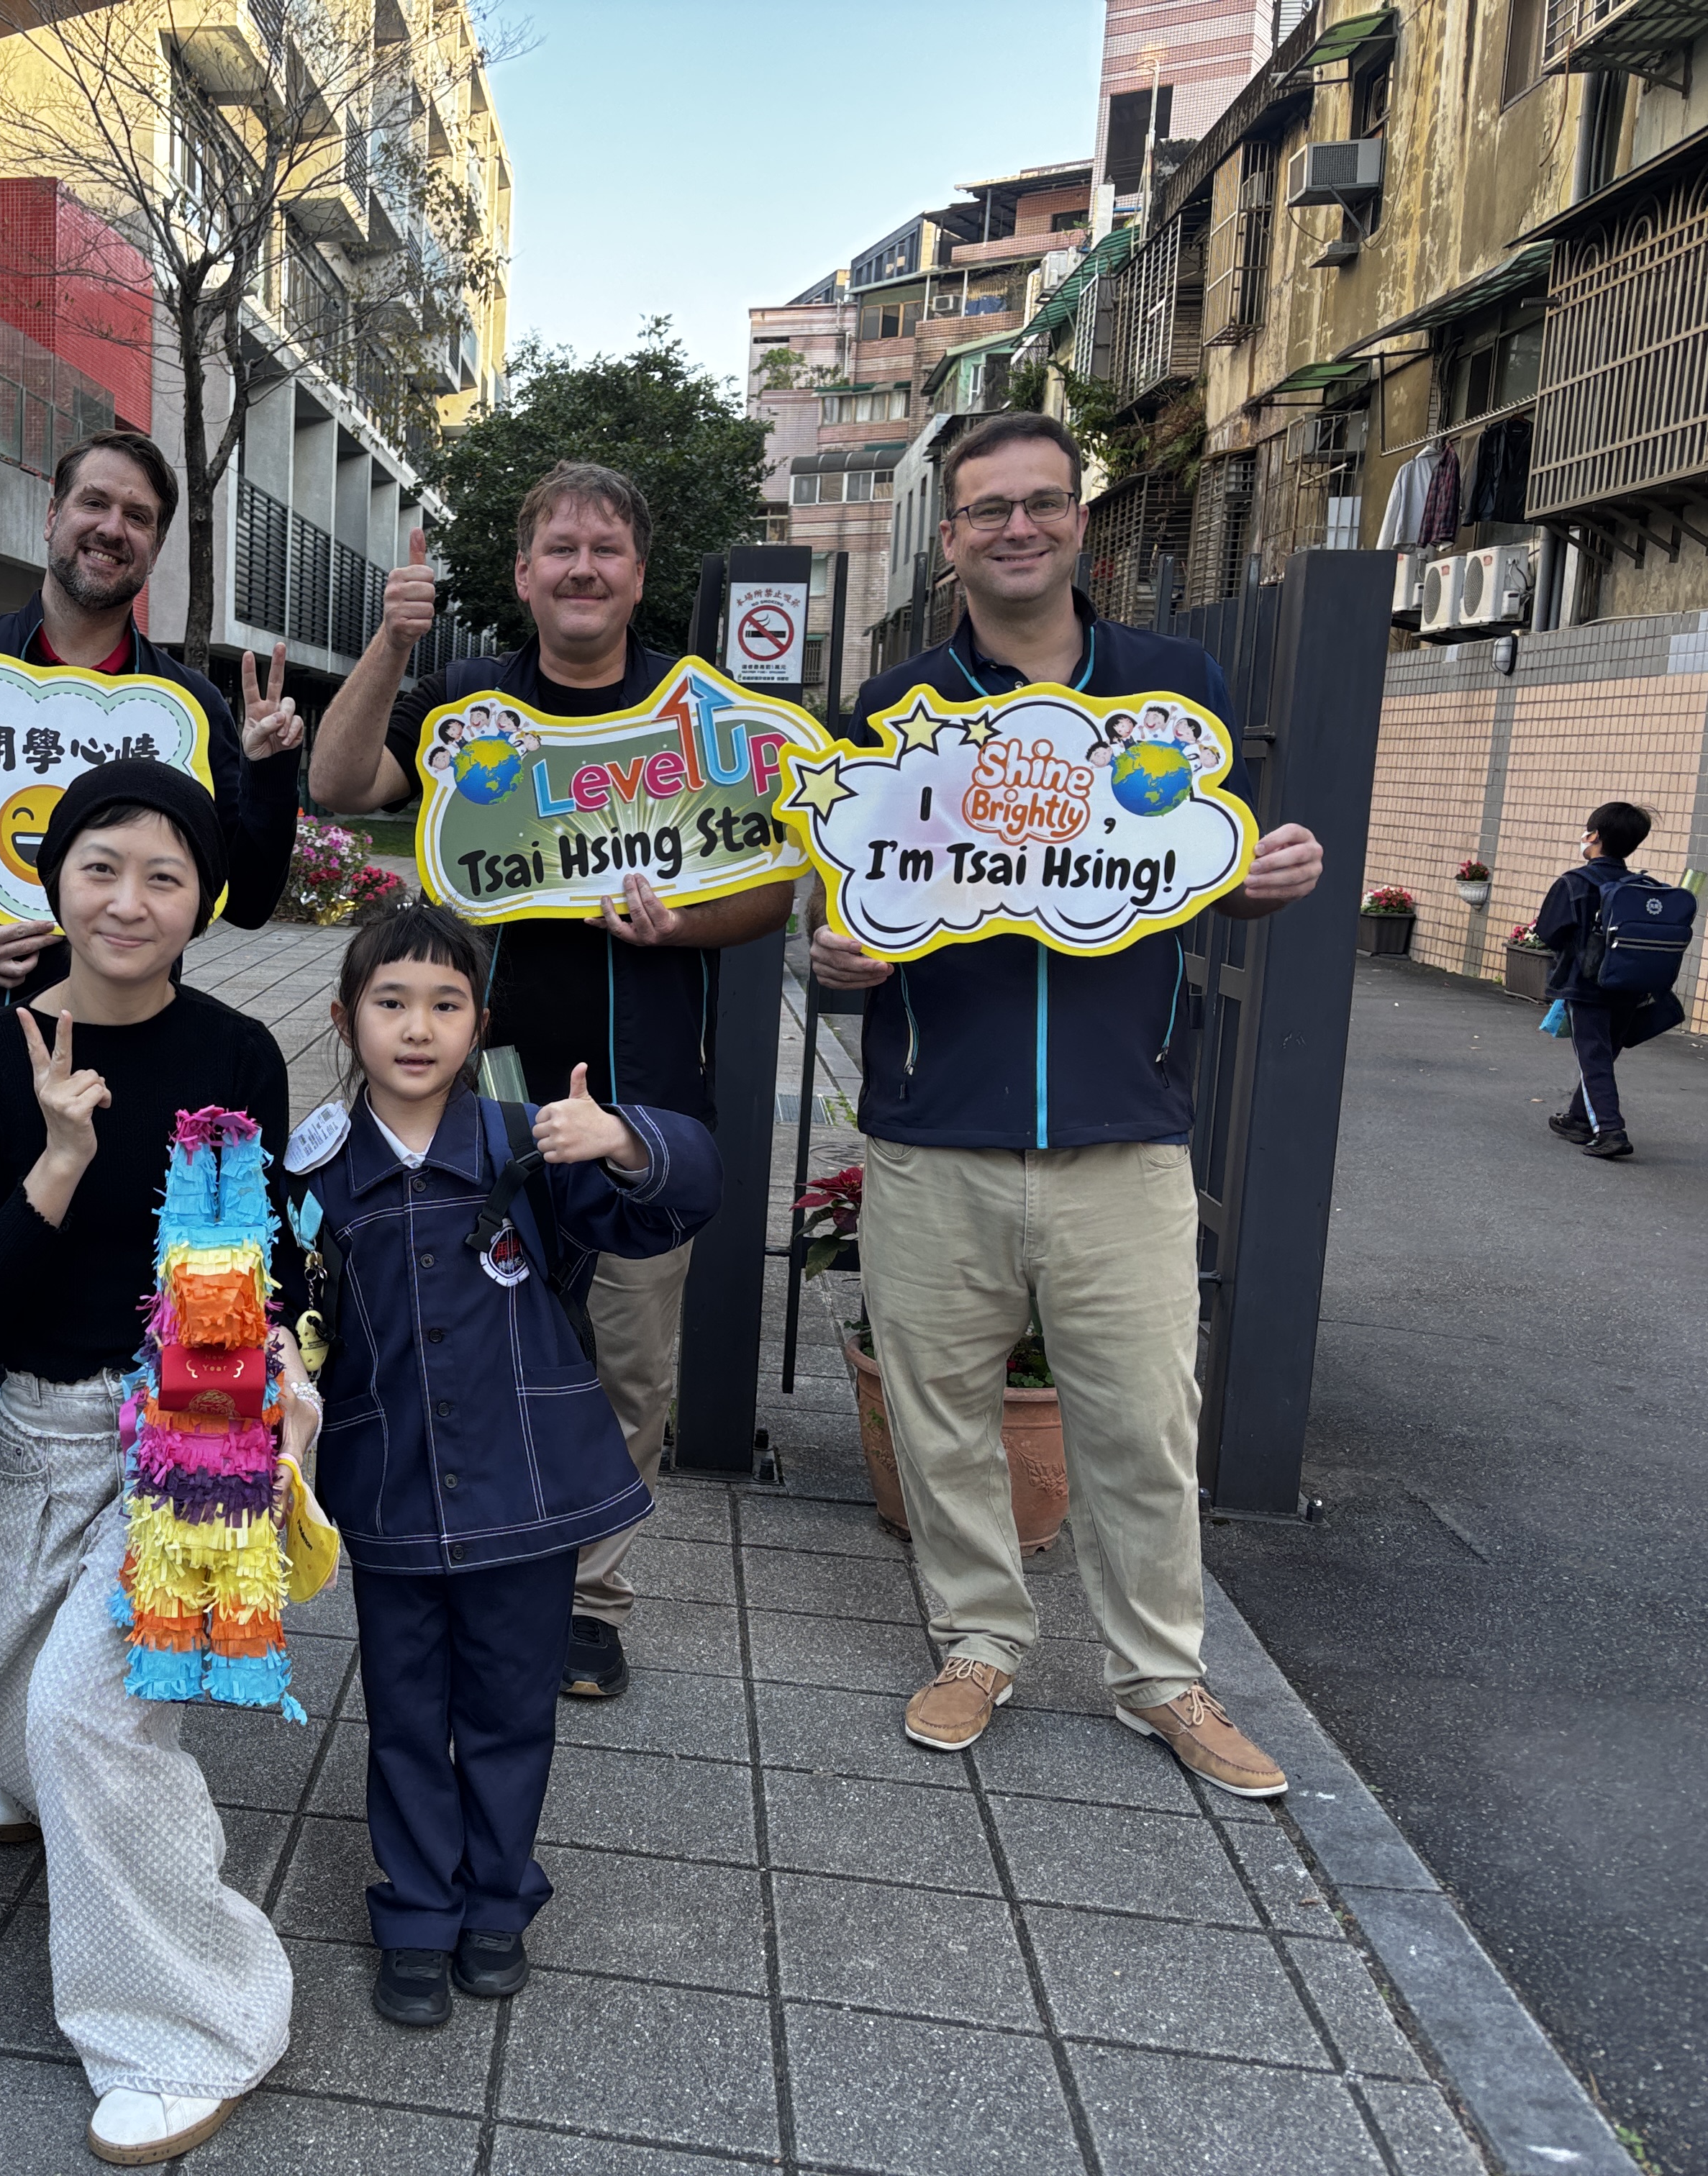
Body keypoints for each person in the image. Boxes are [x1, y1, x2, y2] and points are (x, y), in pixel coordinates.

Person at [809, 409, 1325, 1800]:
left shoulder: (1174, 687)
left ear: (1079, 522)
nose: (1017, 526)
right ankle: (977, 1639)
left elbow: (1196, 860)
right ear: (951, 536)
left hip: (1122, 1127)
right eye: (988, 507)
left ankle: (1161, 1673)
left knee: (1145, 1420)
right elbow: (850, 904)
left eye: (1041, 501)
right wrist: (835, 952)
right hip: (935, 1126)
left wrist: (1261, 875)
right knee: (938, 1414)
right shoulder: (895, 709)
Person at [310, 461, 790, 1701]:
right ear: (522, 575)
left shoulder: (698, 714)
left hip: (641, 1100)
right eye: (559, 549)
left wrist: (683, 924)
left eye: (606, 548)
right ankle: (476, 1556)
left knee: (627, 1362)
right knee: (465, 1339)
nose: (583, 568)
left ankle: (588, 1596)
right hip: (471, 1101)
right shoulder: (463, 705)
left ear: (639, 573)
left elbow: (773, 886)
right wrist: (391, 641)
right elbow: (340, 784)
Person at [0, 761, 301, 2167]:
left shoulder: (237, 1054)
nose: (128, 900)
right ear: (54, 879)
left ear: (202, 899)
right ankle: (42, 1778)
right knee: (19, 1686)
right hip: (37, 1413)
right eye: (100, 866)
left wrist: (255, 1421)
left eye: (163, 875)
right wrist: (61, 1154)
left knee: (92, 1713)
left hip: (195, 1410)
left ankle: (191, 2024)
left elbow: (249, 1261)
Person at [294, 906, 719, 2029]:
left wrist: (625, 1140)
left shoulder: (532, 1143)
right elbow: (284, 1317)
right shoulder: (315, 1173)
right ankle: (416, 1915)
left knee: (512, 1712)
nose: (417, 1028)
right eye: (390, 1003)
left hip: (529, 1491)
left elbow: (678, 1201)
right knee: (404, 1717)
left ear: (480, 1023)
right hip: (389, 1491)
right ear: (343, 1019)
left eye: (446, 1004)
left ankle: (496, 1905)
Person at [0, 430, 306, 1096]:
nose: (112, 528)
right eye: (94, 503)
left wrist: (271, 773)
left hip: (127, 1051)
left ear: (155, 549)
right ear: (53, 515)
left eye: (138, 517)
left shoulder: (184, 709)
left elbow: (248, 903)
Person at [1537, 801, 1676, 1161]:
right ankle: (1579, 1119)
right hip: (1632, 986)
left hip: (1588, 986)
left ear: (1594, 836)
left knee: (1593, 1056)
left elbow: (1549, 932)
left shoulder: (1575, 882)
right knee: (1601, 1055)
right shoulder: (1644, 887)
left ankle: (1610, 1131)